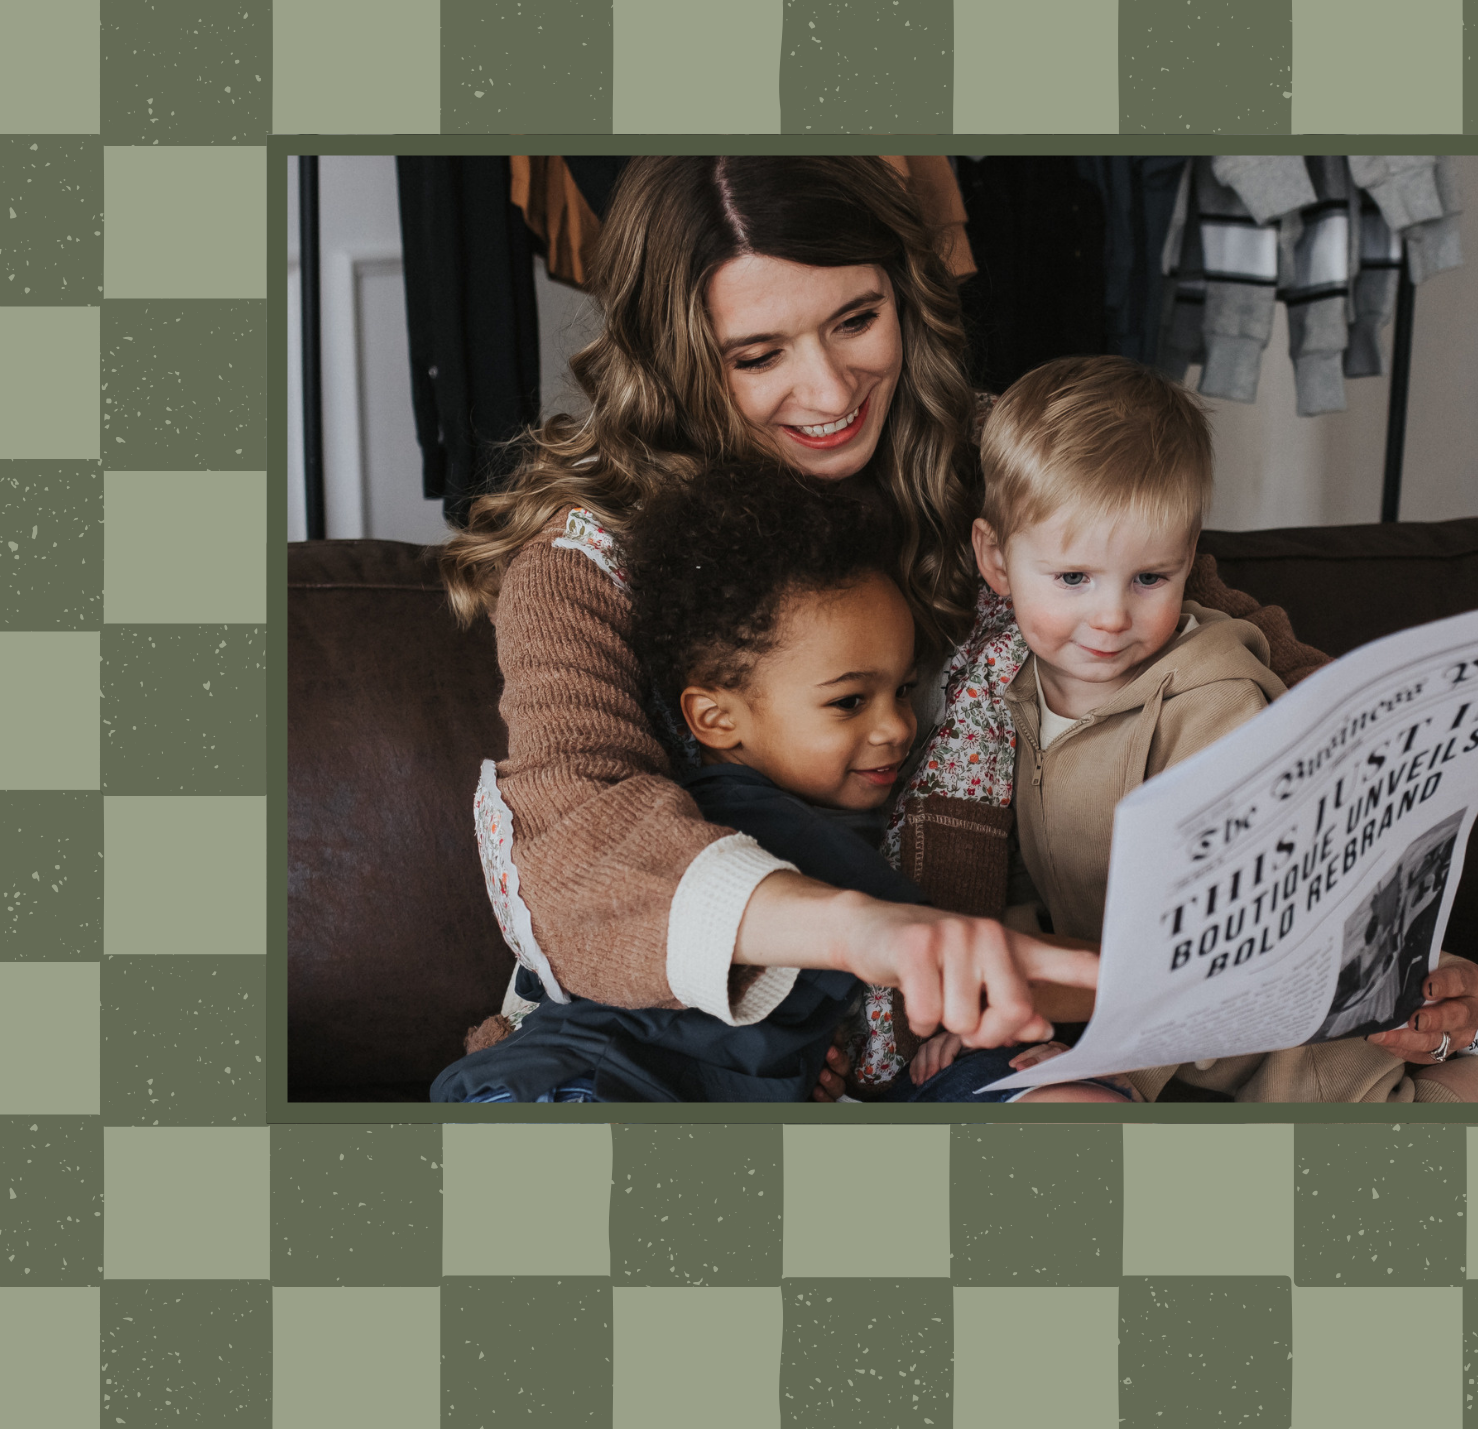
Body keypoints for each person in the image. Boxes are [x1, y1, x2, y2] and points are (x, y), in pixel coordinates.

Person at [437, 157, 1478, 1082]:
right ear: (674, 355)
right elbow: (578, 830)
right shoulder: (588, 552)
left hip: (979, 1041)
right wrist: (877, 931)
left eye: (856, 320)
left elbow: (1270, 669)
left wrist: (1388, 927)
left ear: (907, 294)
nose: (827, 389)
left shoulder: (1010, 469)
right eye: (756, 354)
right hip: (679, 1050)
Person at [915, 356, 1478, 1103]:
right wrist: (1001, 1011)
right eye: (1073, 578)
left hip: (1283, 1027)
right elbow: (1036, 879)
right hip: (1150, 1019)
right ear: (995, 560)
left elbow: (1230, 923)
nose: (1109, 617)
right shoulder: (1010, 698)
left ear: (1187, 559)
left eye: (1149, 578)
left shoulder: (1213, 698)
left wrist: (1115, 1060)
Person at [431, 462, 1127, 1103]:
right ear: (715, 717)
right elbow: (962, 960)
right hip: (595, 1079)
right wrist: (1131, 976)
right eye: (848, 701)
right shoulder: (756, 822)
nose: (894, 727)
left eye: (903, 690)